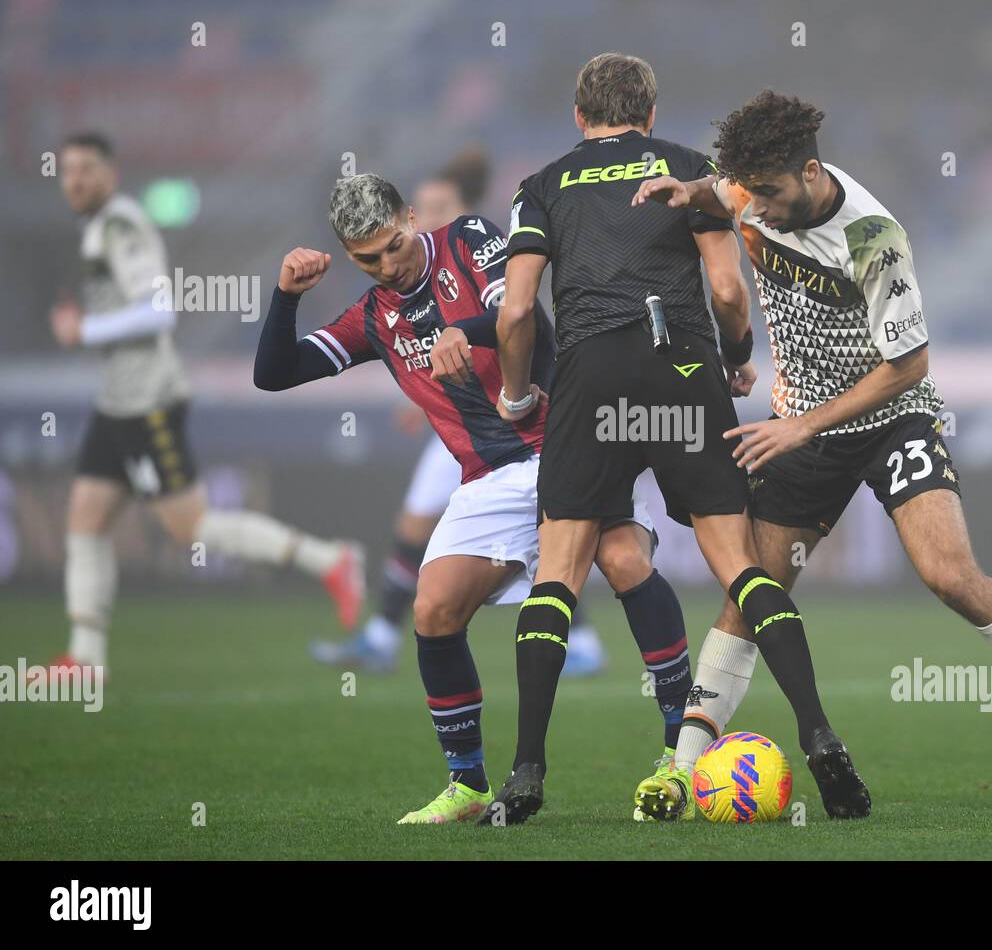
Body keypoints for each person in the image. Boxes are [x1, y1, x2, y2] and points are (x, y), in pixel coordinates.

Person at [633, 90, 992, 819]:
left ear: (808, 170)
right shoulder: (746, 189)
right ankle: (680, 768)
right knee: (753, 596)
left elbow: (910, 365)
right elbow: (724, 186)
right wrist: (694, 188)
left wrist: (800, 427)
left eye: (767, 192)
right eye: (747, 192)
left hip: (892, 418)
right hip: (803, 428)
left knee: (950, 575)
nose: (754, 209)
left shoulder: (874, 239)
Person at [491, 54, 871, 825]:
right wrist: (734, 361)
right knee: (742, 568)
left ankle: (526, 771)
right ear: (651, 114)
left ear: (578, 116)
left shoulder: (540, 188)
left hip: (591, 373)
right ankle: (821, 734)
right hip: (682, 365)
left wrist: (518, 392)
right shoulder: (691, 171)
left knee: (558, 573)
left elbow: (518, 313)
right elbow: (729, 290)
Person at [254, 173, 694, 824]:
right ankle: (468, 786)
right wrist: (285, 297)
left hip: (568, 438)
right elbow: (275, 373)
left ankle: (678, 755)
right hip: (489, 478)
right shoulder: (375, 317)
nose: (386, 266)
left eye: (393, 246)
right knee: (432, 610)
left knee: (628, 563)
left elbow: (521, 316)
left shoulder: (468, 239)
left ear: (411, 219)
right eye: (365, 259)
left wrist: (466, 329)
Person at [36, 133, 363, 681]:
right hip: (117, 403)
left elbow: (160, 311)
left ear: (110, 174)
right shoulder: (96, 228)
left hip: (147, 403)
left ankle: (331, 560)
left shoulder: (120, 223)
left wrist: (84, 329)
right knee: (85, 519)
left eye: (86, 169)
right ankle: (85, 656)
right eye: (67, 170)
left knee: (192, 527)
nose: (74, 180)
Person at [312, 148, 607, 675]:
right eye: (421, 203)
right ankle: (384, 633)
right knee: (421, 525)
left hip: (525, 425)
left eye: (435, 205)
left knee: (563, 536)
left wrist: (517, 389)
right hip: (465, 433)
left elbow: (515, 322)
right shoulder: (399, 294)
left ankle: (579, 639)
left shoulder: (472, 245)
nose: (426, 214)